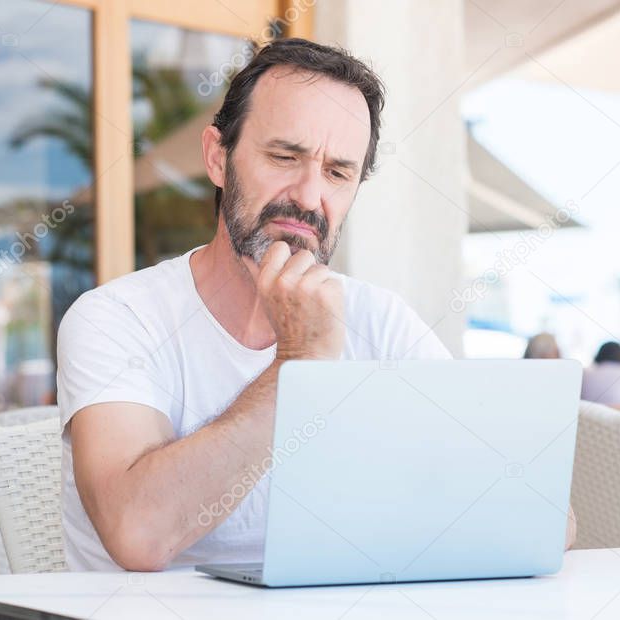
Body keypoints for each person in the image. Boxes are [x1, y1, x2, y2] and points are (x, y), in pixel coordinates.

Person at [56, 39, 574, 571]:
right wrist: (298, 366)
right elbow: (139, 534)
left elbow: (547, 518)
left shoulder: (382, 321)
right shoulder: (117, 319)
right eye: (285, 157)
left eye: (338, 172)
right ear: (218, 157)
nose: (308, 196)